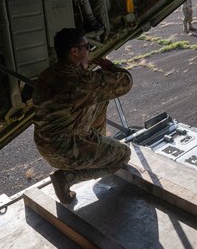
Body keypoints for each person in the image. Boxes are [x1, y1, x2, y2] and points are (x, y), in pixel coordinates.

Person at [33, 28, 133, 204]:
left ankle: (96, 146)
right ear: (75, 51)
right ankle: (68, 177)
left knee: (100, 101)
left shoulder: (48, 74)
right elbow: (125, 82)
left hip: (47, 142)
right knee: (123, 155)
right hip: (66, 149)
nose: (89, 51)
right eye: (86, 47)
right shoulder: (82, 82)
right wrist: (109, 67)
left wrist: (83, 69)